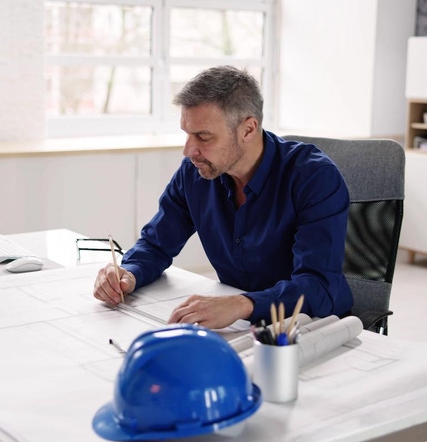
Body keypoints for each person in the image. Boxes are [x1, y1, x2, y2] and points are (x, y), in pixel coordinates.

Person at [93, 65, 353, 329]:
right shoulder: (195, 174)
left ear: (248, 129)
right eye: (187, 134)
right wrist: (128, 273)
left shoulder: (314, 177)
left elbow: (319, 285)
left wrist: (243, 304)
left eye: (203, 137)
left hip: (313, 328)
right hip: (241, 326)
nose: (188, 151)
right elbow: (156, 244)